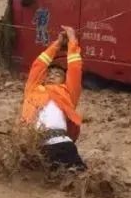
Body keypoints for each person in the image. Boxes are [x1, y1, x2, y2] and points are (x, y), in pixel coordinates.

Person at [18, 26, 85, 170]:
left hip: (62, 143)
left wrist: (72, 40)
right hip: (36, 148)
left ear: (64, 80)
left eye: (58, 74)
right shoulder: (33, 89)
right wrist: (57, 44)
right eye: (49, 72)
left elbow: (75, 67)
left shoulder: (68, 92)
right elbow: (38, 65)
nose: (52, 75)